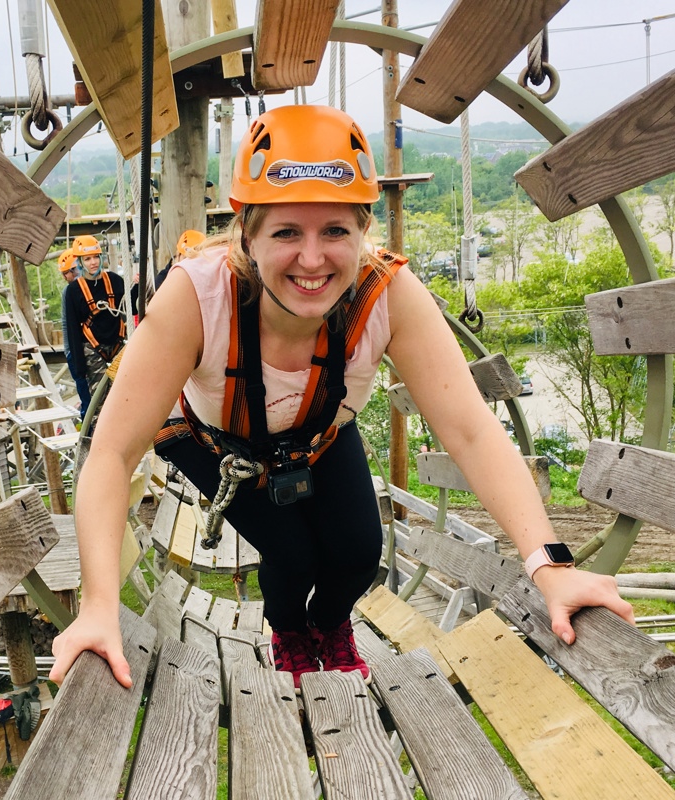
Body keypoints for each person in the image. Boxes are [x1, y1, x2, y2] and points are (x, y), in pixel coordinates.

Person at [50, 105, 633, 692]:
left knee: (358, 552)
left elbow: (472, 431)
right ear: (246, 234)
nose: (312, 259)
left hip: (320, 429)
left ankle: (329, 626)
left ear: (363, 232)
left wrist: (551, 566)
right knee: (293, 555)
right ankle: (290, 635)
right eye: (285, 233)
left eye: (335, 231)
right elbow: (113, 452)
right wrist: (99, 604)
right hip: (216, 440)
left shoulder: (386, 293)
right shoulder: (198, 295)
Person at [63, 235, 126, 398]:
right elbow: (73, 330)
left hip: (117, 342)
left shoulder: (115, 281)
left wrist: (139, 286)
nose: (93, 262)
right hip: (92, 348)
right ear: (80, 262)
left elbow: (128, 307)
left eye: (96, 257)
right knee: (100, 399)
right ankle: (100, 423)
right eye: (88, 259)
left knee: (127, 391)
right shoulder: (73, 291)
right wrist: (79, 367)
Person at [58, 248, 92, 420]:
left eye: (67, 273)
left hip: (91, 347)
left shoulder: (84, 286)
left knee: (90, 393)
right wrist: (69, 351)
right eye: (64, 274)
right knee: (86, 392)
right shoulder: (70, 291)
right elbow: (67, 323)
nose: (66, 277)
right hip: (77, 349)